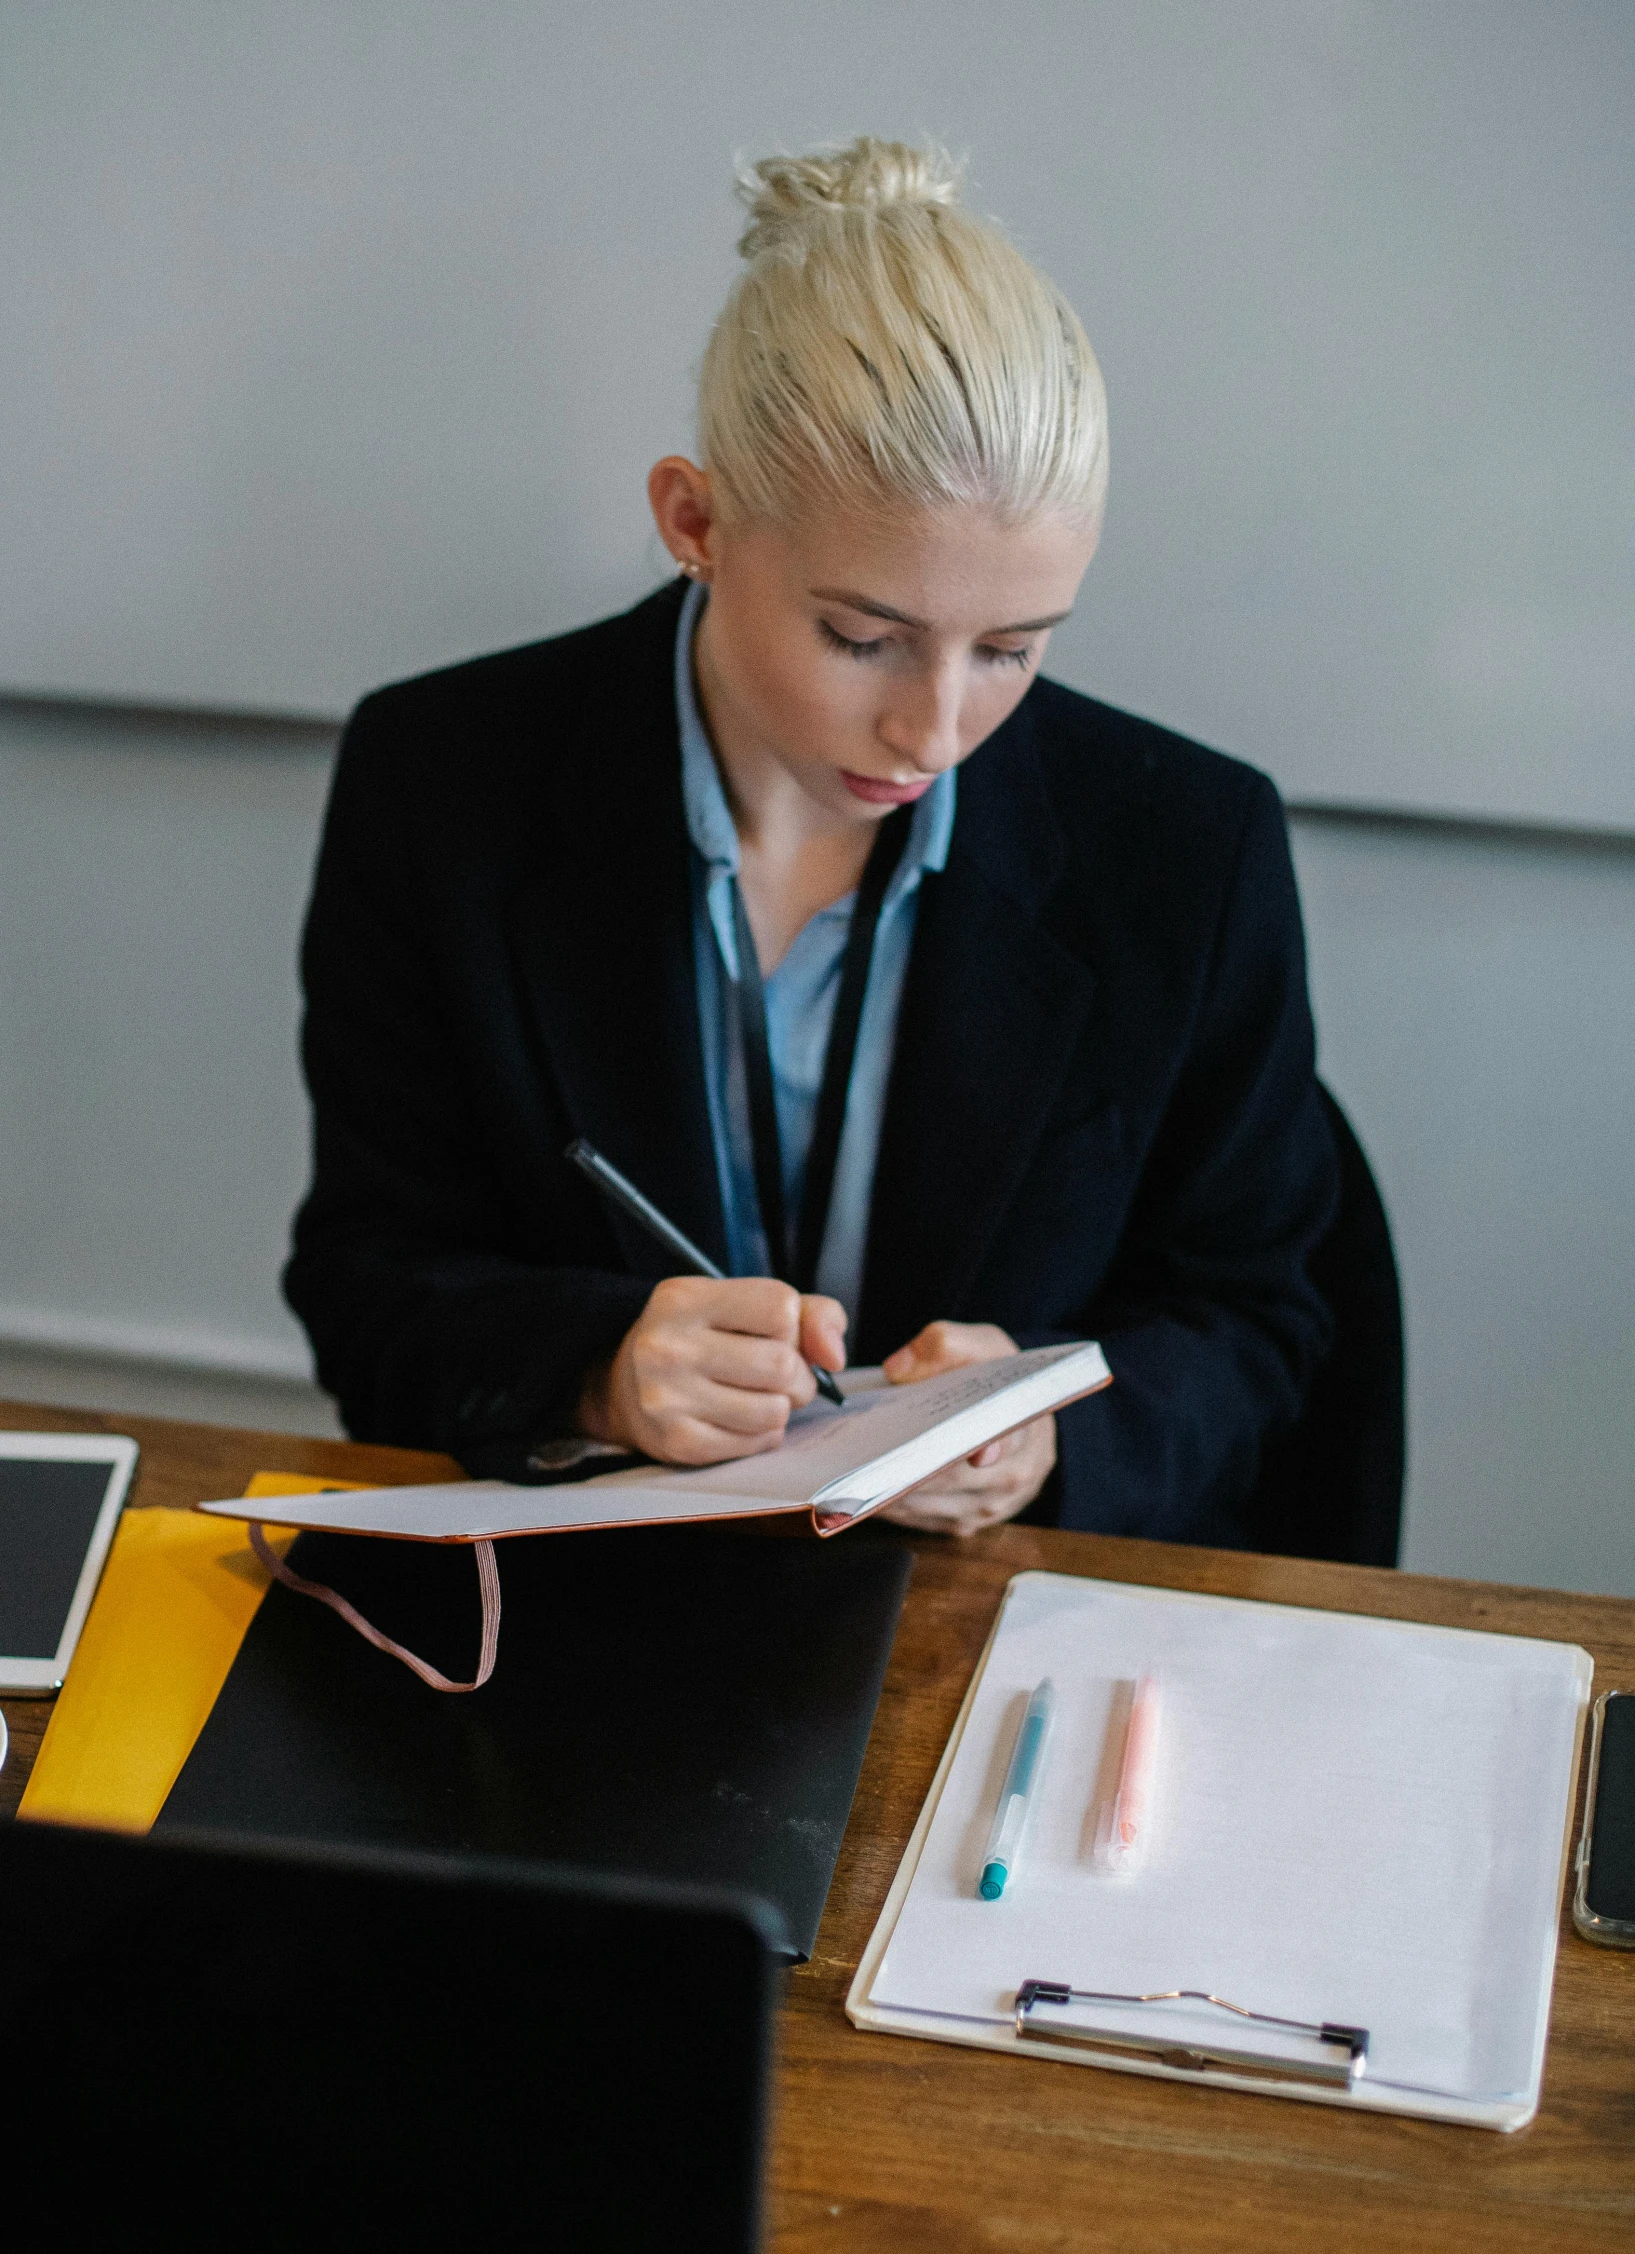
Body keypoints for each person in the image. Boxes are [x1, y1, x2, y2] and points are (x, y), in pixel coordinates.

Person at [285, 138, 1337, 1547]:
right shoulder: (442, 783)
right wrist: (596, 1369)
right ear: (695, 522)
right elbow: (366, 1279)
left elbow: (1261, 1317)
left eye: (1011, 649)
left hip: (986, 1604)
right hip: (595, 1598)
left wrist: (1040, 1447)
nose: (935, 728)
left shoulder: (1187, 847)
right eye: (862, 637)